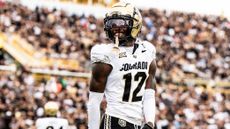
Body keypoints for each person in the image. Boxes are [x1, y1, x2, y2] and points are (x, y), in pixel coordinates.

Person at [87, 2, 157, 129]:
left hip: (137, 123)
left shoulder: (147, 51)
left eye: (121, 24)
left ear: (135, 24)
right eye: (111, 24)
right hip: (114, 120)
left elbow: (149, 93)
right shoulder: (105, 54)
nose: (115, 29)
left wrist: (150, 122)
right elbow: (94, 101)